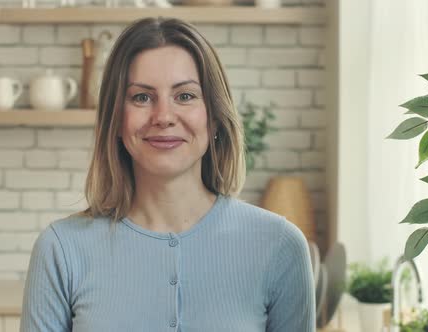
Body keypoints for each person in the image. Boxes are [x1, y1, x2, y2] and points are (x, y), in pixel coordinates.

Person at [20, 17, 315, 332]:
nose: (163, 116)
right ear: (116, 120)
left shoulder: (280, 246)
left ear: (214, 117)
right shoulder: (61, 250)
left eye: (185, 96)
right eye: (141, 97)